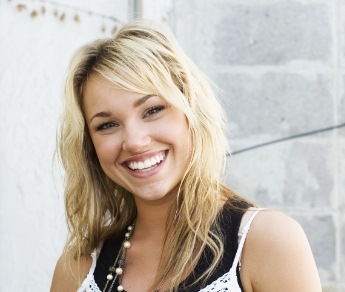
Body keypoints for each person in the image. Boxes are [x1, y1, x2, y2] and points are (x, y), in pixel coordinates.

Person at [50, 19, 322, 292]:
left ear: (191, 112)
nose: (134, 141)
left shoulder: (267, 241)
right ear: (90, 146)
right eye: (107, 125)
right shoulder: (77, 269)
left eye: (153, 110)